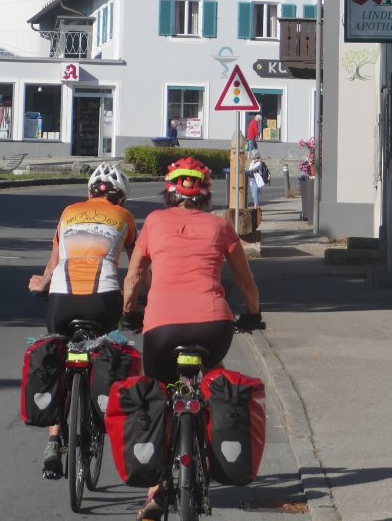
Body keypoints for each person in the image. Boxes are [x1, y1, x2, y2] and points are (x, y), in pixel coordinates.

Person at [121, 156, 262, 521]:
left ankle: (156, 491)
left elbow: (134, 276)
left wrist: (129, 312)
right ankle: (214, 442)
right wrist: (253, 315)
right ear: (206, 193)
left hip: (162, 328)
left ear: (169, 192)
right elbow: (246, 283)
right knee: (213, 381)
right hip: (212, 326)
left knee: (158, 392)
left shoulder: (153, 222)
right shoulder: (219, 226)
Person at [29, 161, 135, 480]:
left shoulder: (67, 213)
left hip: (62, 300)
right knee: (111, 346)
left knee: (60, 358)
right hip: (104, 300)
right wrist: (139, 302)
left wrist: (43, 284)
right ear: (120, 197)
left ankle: (52, 442)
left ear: (89, 192)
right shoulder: (125, 217)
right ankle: (101, 406)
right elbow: (139, 267)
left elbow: (53, 264)